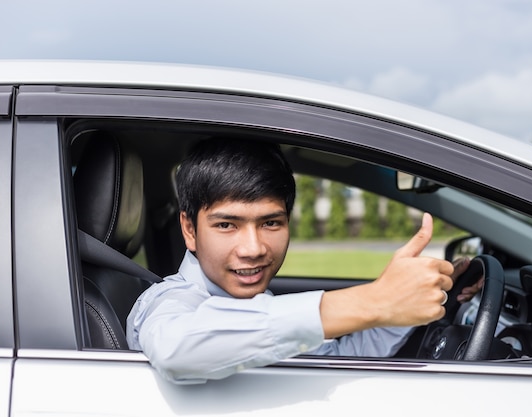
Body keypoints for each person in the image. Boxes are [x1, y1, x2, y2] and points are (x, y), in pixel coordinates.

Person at [127, 138, 472, 384]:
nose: (253, 248)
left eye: (271, 223)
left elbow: (333, 362)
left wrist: (424, 300)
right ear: (189, 229)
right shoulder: (168, 301)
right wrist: (373, 300)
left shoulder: (261, 304)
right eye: (227, 225)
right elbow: (176, 347)